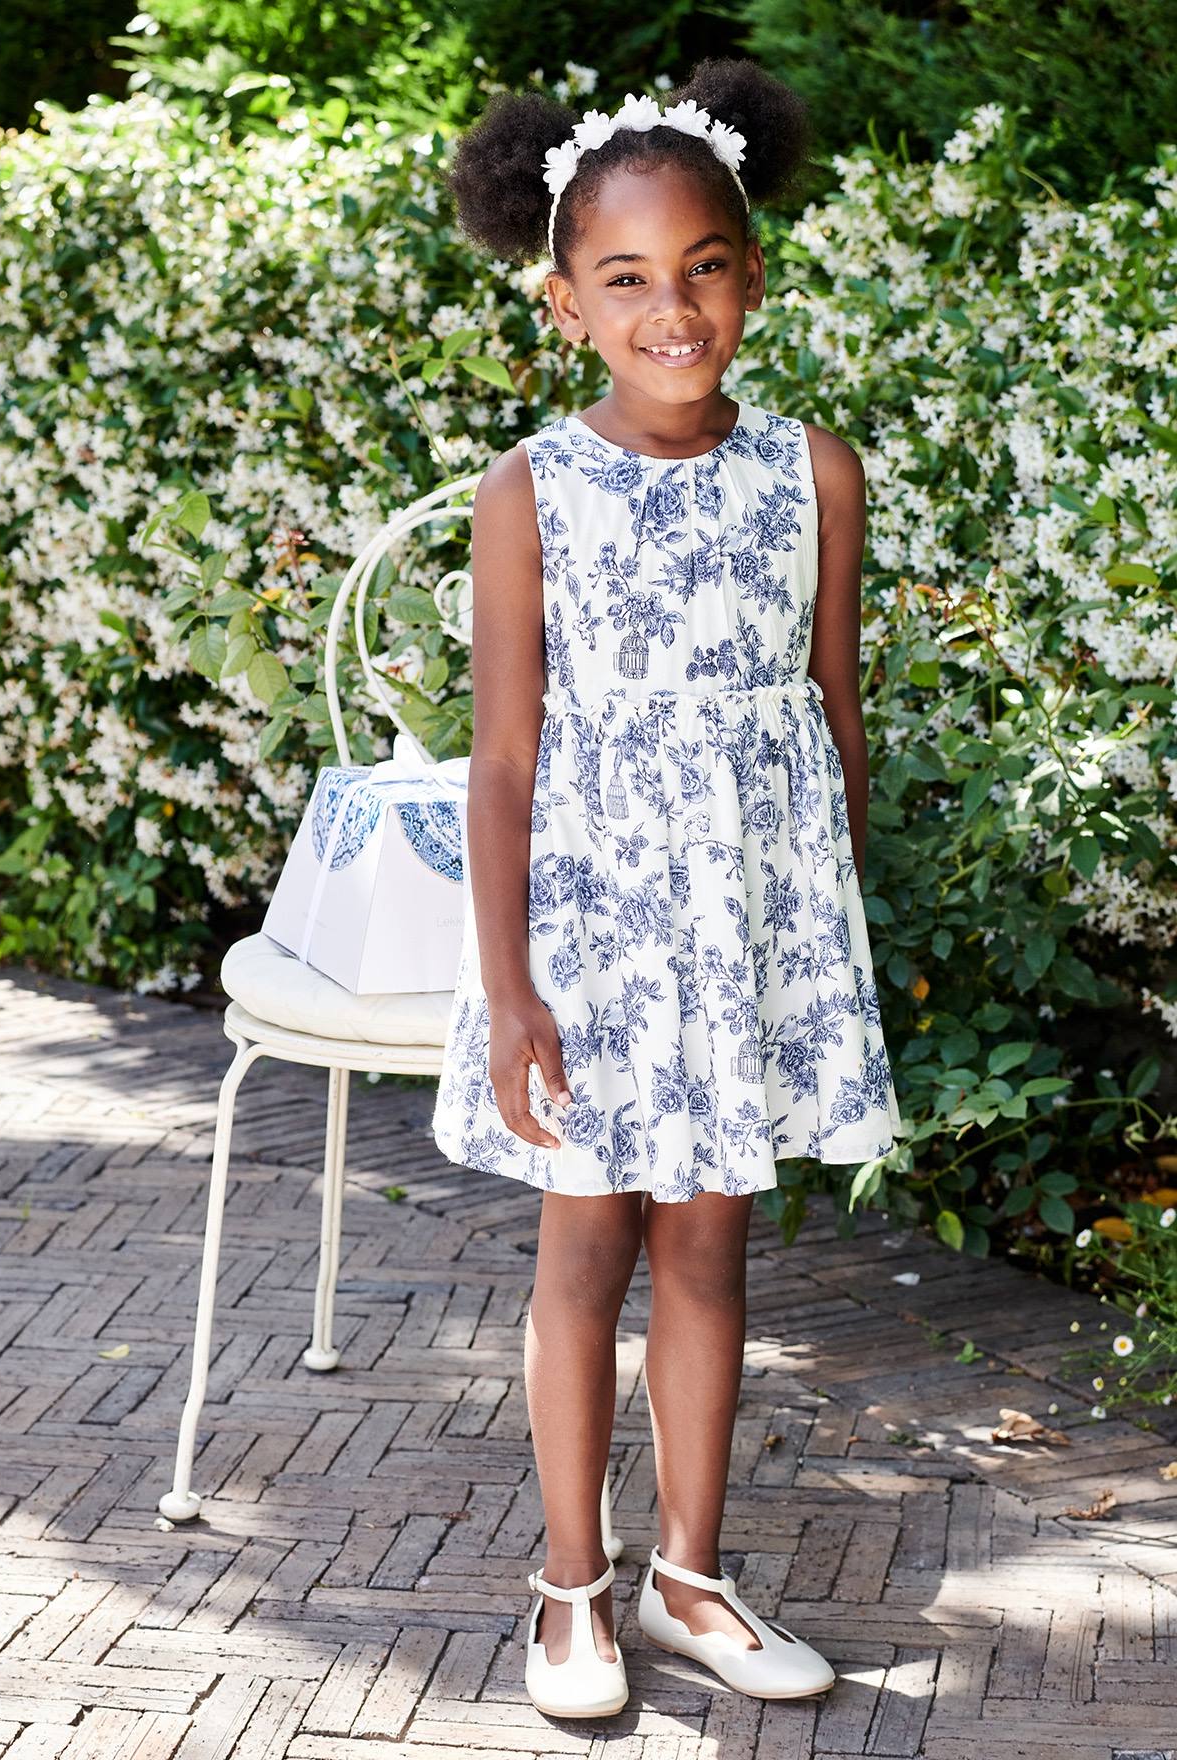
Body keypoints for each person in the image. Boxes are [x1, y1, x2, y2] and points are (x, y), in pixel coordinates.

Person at [430, 55, 904, 1720]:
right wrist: (511, 991)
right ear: (567, 304)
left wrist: (819, 949)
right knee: (587, 1257)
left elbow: (831, 718)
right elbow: (504, 765)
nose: (673, 306)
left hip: (753, 943)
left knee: (712, 1254)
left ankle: (693, 1575)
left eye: (703, 266)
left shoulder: (815, 473)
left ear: (753, 276)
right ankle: (573, 1588)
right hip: (598, 939)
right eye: (626, 278)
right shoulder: (531, 493)